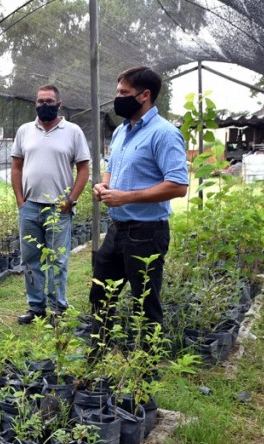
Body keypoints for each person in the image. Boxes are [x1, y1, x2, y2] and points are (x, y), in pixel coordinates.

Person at [89, 66, 189, 350]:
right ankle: (98, 357)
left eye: (124, 93)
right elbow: (111, 169)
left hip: (147, 233)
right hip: (117, 229)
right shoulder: (122, 131)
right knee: (101, 295)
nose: (117, 99)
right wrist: (103, 187)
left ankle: (144, 374)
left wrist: (127, 197)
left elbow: (178, 185)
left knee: (145, 303)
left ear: (145, 96)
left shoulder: (165, 134)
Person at [11, 84, 91, 324]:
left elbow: (84, 168)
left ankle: (57, 309)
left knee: (57, 260)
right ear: (35, 104)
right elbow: (16, 167)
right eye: (40, 101)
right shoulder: (25, 131)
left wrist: (71, 199)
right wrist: (20, 201)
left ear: (59, 104)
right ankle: (36, 308)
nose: (44, 105)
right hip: (30, 207)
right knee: (30, 259)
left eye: (49, 101)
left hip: (59, 208)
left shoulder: (73, 131)